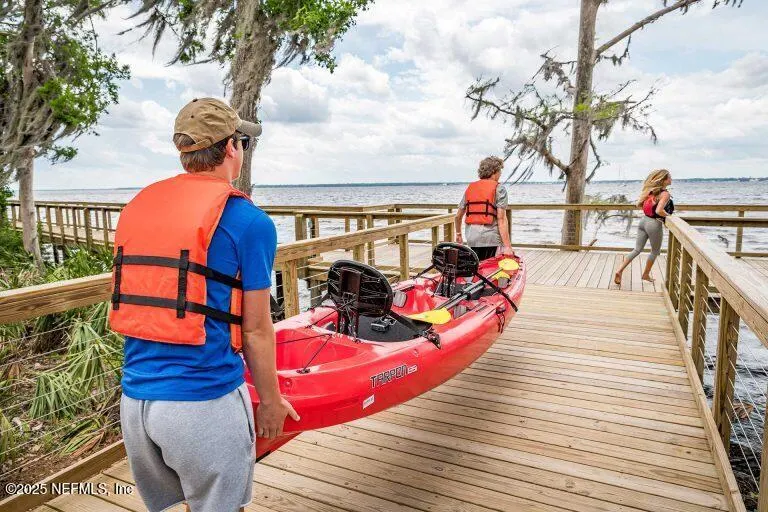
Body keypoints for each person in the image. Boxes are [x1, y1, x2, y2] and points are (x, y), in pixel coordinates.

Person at [110, 97, 299, 512]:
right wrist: (270, 402)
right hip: (202, 403)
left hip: (136, 404)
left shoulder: (140, 207)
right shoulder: (250, 222)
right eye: (243, 142)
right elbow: (256, 329)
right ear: (231, 147)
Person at [614, 169, 675, 286]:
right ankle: (646, 274)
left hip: (643, 221)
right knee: (655, 251)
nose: (671, 179)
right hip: (654, 224)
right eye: (669, 177)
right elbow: (659, 211)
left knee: (637, 249)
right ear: (663, 180)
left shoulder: (650, 192)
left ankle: (619, 270)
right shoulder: (665, 194)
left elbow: (646, 206)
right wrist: (670, 216)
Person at [454, 156, 514, 259]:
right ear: (494, 171)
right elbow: (501, 219)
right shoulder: (499, 189)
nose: (500, 174)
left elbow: (458, 216)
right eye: (500, 171)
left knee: (477, 266)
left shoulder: (470, 188)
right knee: (490, 267)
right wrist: (508, 246)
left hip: (471, 238)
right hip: (490, 239)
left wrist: (458, 234)